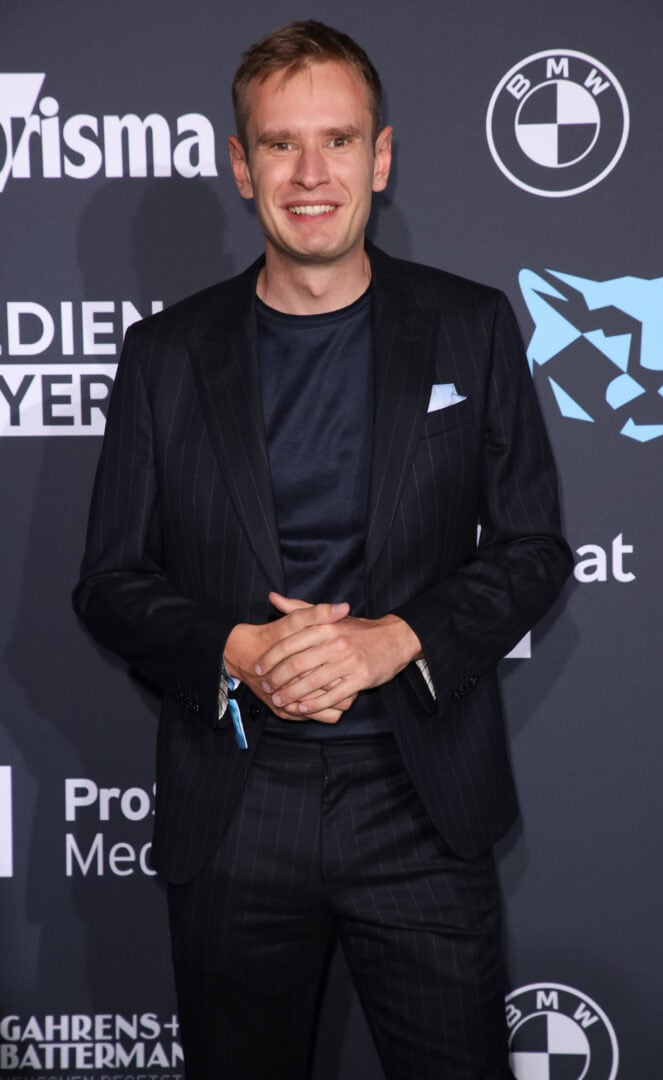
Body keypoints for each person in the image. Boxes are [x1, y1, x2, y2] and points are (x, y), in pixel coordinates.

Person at [73, 19, 573, 1080]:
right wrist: (236, 650)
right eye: (281, 144)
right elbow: (110, 582)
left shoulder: (471, 325)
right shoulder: (163, 356)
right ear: (239, 165)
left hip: (420, 799)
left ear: (380, 158)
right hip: (236, 800)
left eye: (338, 140)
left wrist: (396, 639)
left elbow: (533, 548)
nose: (310, 174)